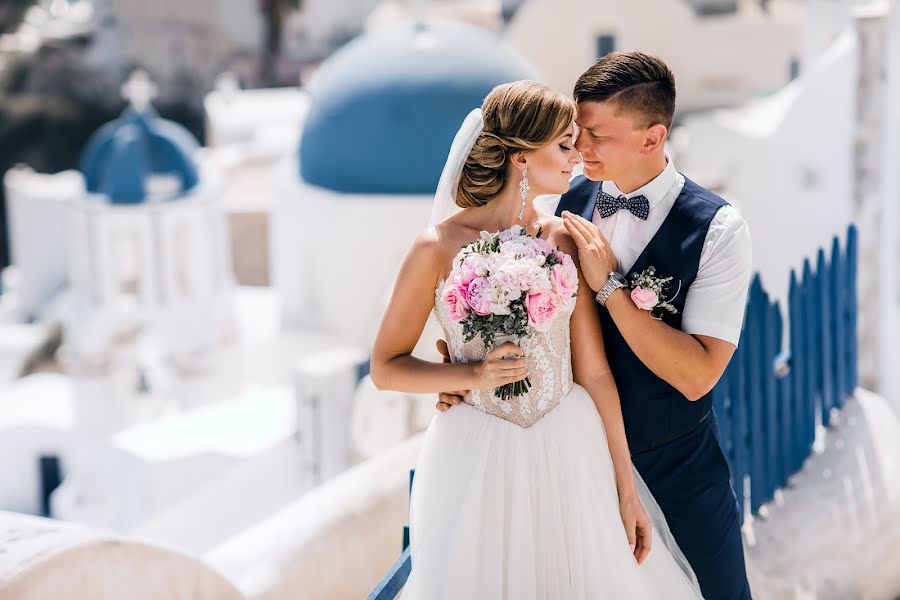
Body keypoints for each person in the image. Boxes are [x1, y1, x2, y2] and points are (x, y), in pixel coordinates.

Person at [371, 80, 703, 599]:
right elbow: (386, 366)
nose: (577, 157)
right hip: (474, 455)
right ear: (522, 158)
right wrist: (469, 374)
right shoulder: (436, 248)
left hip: (569, 447)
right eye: (564, 145)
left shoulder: (563, 239)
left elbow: (593, 372)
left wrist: (625, 490)